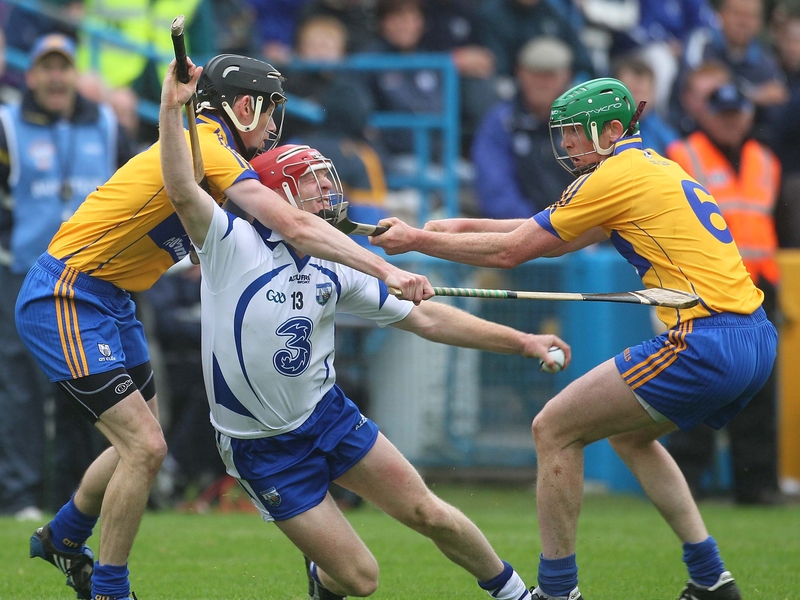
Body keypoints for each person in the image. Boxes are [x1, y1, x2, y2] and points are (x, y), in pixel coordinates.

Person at [20, 52, 432, 600]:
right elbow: (286, 221)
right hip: (67, 294)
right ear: (244, 106)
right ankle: (110, 590)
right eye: (269, 113)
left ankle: (65, 536)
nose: (272, 127)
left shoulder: (205, 146)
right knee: (143, 448)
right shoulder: (209, 146)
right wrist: (385, 269)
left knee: (142, 444)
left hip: (113, 297)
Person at [159, 59, 571, 600]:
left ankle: (518, 594)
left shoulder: (333, 265)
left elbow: (426, 318)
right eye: (313, 185)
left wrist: (522, 341)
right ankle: (323, 577)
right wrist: (172, 109)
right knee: (360, 579)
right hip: (261, 448)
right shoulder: (230, 246)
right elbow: (184, 189)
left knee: (431, 513)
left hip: (328, 416)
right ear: (280, 195)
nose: (329, 194)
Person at [371, 77, 777, 600]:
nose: (565, 145)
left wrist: (417, 241)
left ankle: (558, 591)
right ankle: (710, 578)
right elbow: (561, 234)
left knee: (554, 429)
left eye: (574, 134)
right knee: (630, 437)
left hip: (705, 339)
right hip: (754, 338)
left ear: (611, 129)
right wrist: (463, 226)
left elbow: (512, 253)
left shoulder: (612, 175)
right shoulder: (651, 167)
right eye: (561, 134)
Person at [0, 33, 132, 522]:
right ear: (31, 75)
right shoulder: (7, 125)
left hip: (93, 278)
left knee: (93, 387)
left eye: (64, 67)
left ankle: (87, 493)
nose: (56, 77)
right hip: (22, 273)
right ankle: (20, 497)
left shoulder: (106, 124)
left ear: (75, 74)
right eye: (45, 68)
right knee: (20, 388)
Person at [666, 78, 782, 505]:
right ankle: (688, 483)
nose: (732, 122)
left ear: (748, 116)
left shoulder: (765, 160)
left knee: (759, 389)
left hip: (758, 286)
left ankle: (756, 485)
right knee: (697, 382)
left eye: (738, 114)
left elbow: (776, 221)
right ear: (707, 115)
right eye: (724, 114)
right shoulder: (684, 154)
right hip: (706, 286)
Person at [471, 36, 575, 219]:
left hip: (583, 233)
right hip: (519, 233)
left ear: (566, 76)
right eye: (535, 74)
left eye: (550, 75)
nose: (542, 83)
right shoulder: (501, 123)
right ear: (519, 72)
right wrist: (541, 229)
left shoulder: (584, 121)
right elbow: (495, 189)